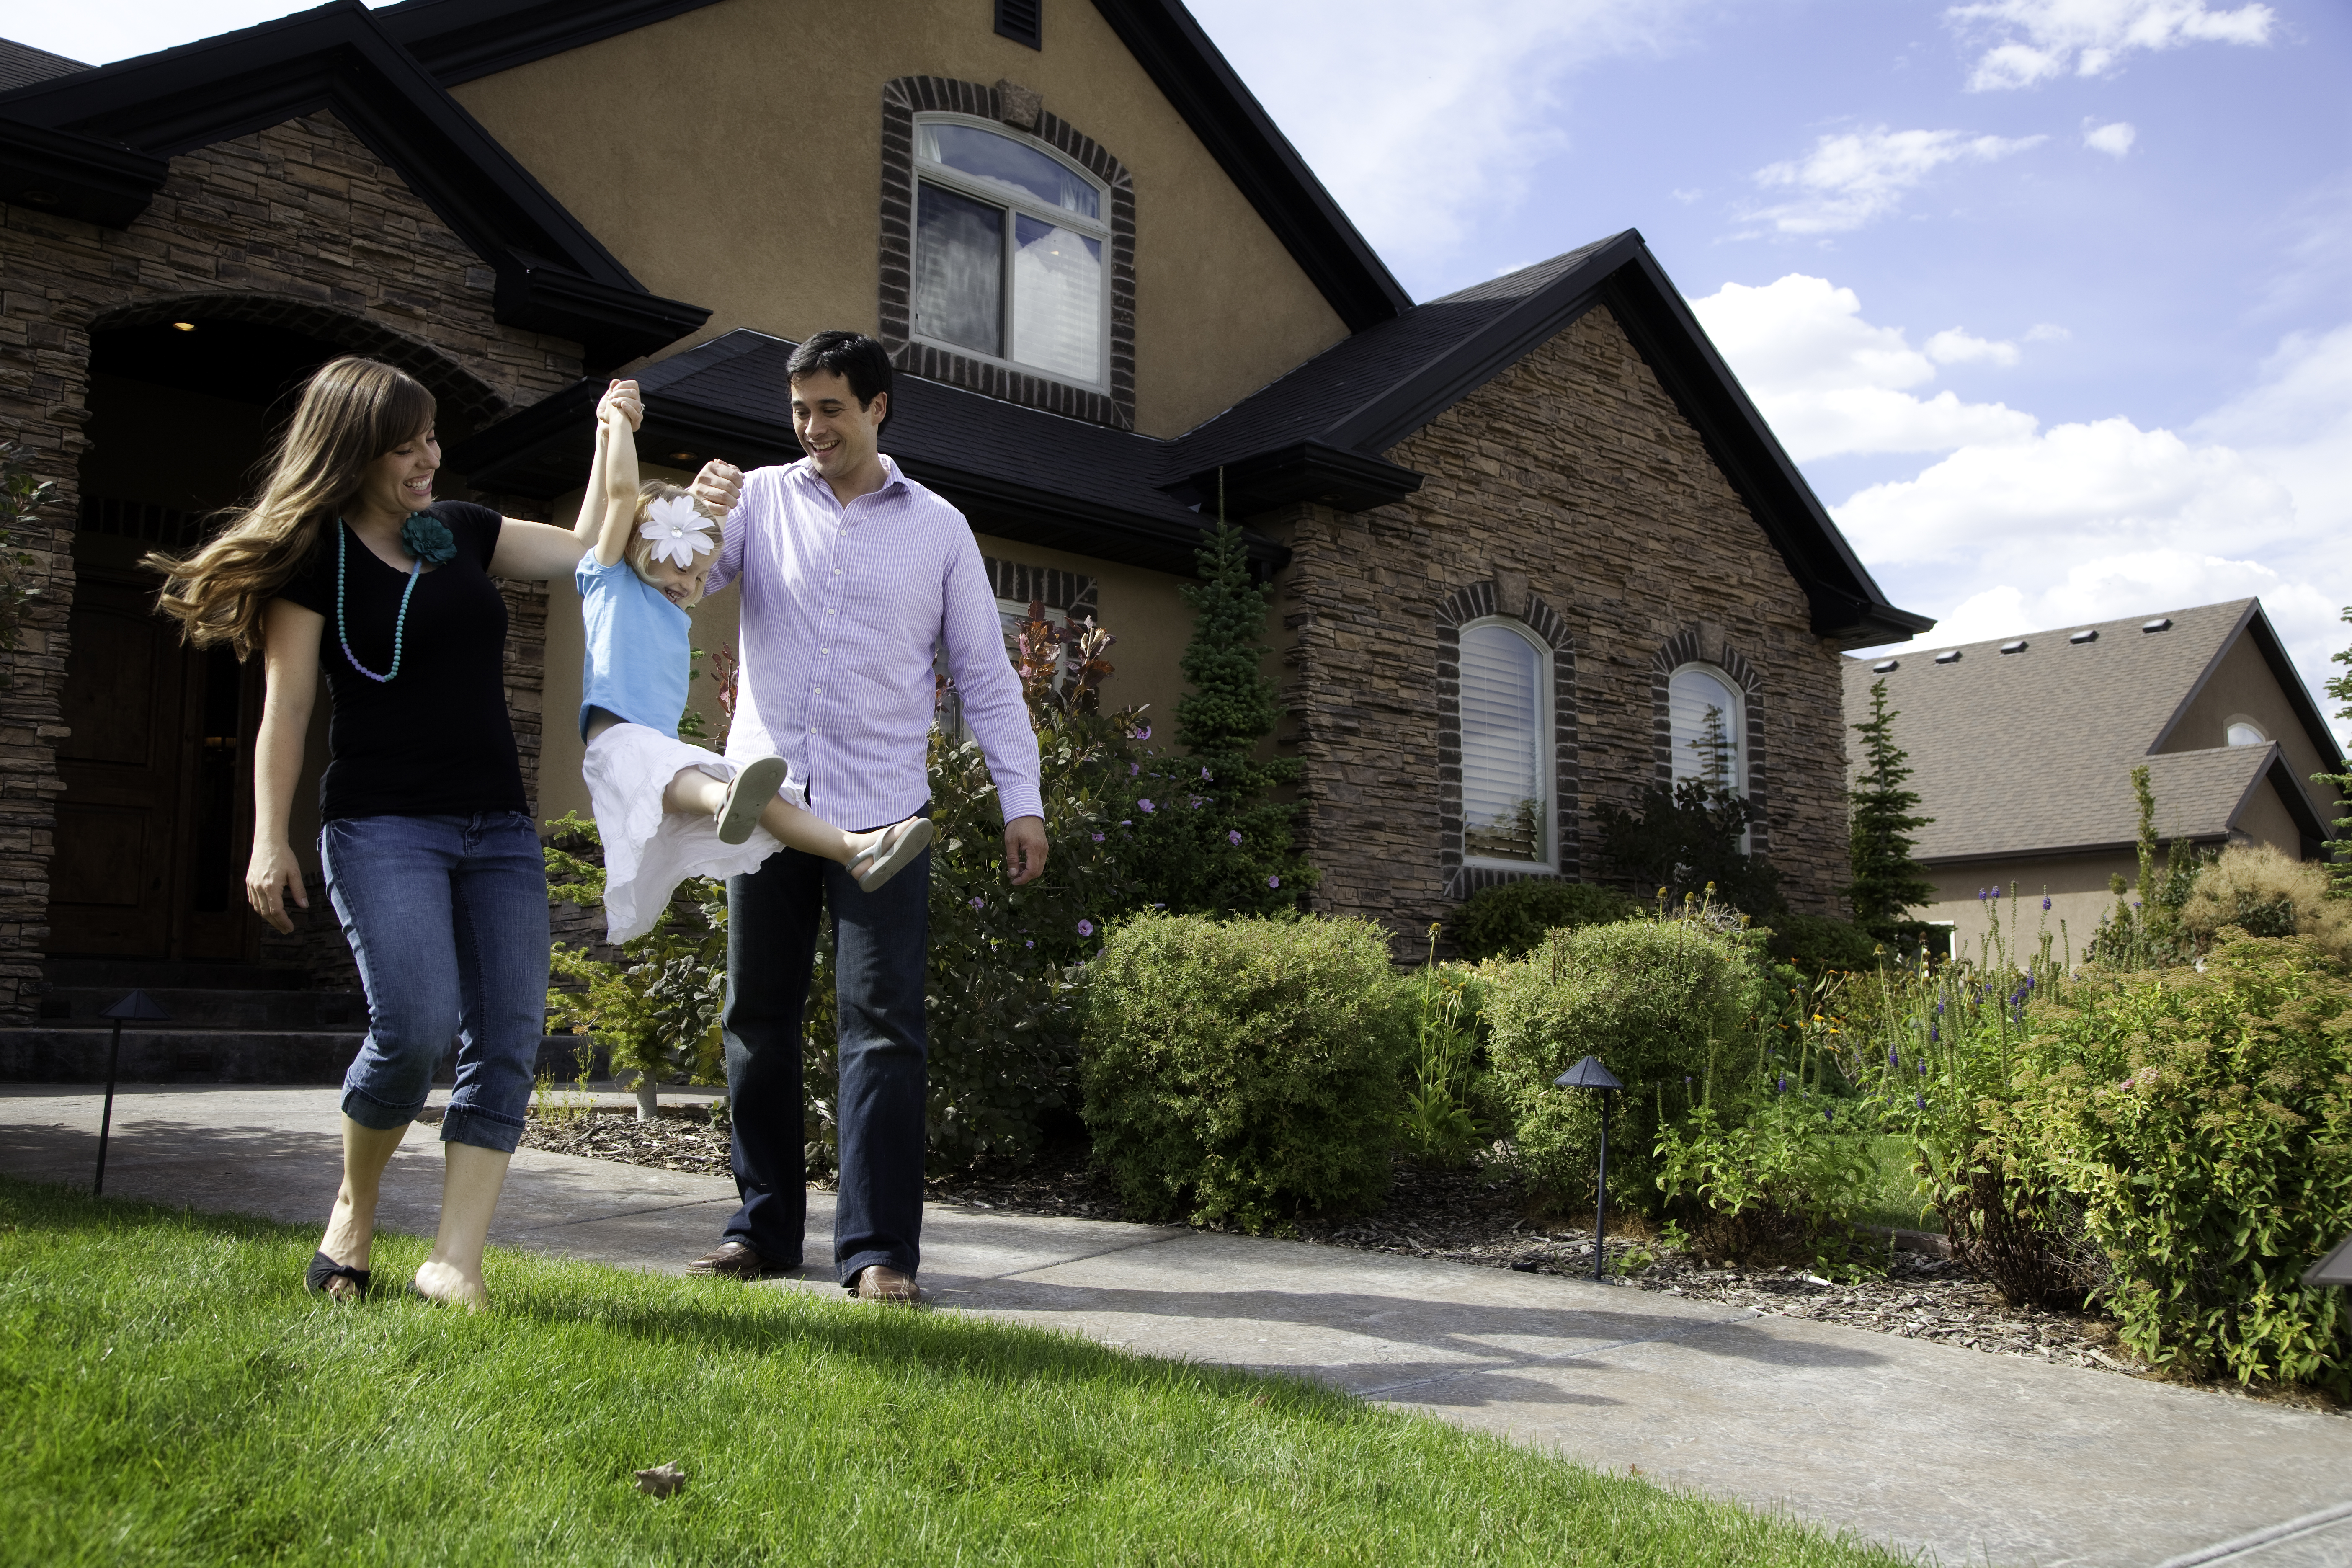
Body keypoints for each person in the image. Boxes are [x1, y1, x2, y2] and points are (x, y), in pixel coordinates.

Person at [146, 356, 738, 1309]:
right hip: (382, 826)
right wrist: (268, 838)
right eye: (406, 443)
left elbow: (592, 540)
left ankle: (455, 1261)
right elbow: (287, 712)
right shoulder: (314, 563)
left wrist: (609, 428)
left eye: (431, 437)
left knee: (506, 1036)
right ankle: (356, 1204)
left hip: (496, 824)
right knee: (414, 1029)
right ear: (355, 452)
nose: (429, 456)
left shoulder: (460, 531)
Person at [686, 331, 1045, 1302]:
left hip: (885, 819)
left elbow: (983, 675)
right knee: (756, 1018)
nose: (811, 428)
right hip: (766, 813)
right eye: (799, 409)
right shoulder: (759, 499)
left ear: (878, 407)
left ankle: (879, 1250)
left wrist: (1024, 801)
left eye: (830, 408)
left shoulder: (938, 529)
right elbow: (678, 573)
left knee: (882, 1027)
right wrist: (691, 511)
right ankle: (760, 1231)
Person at [572, 396, 933, 944]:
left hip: (662, 755)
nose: (690, 586)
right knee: (725, 788)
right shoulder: (607, 578)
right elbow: (622, 493)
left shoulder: (671, 611)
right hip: (617, 748)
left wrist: (716, 510)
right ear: (637, 549)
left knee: (771, 801)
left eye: (700, 578)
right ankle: (726, 802)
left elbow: (700, 539)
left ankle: (855, 848)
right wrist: (617, 424)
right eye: (680, 568)